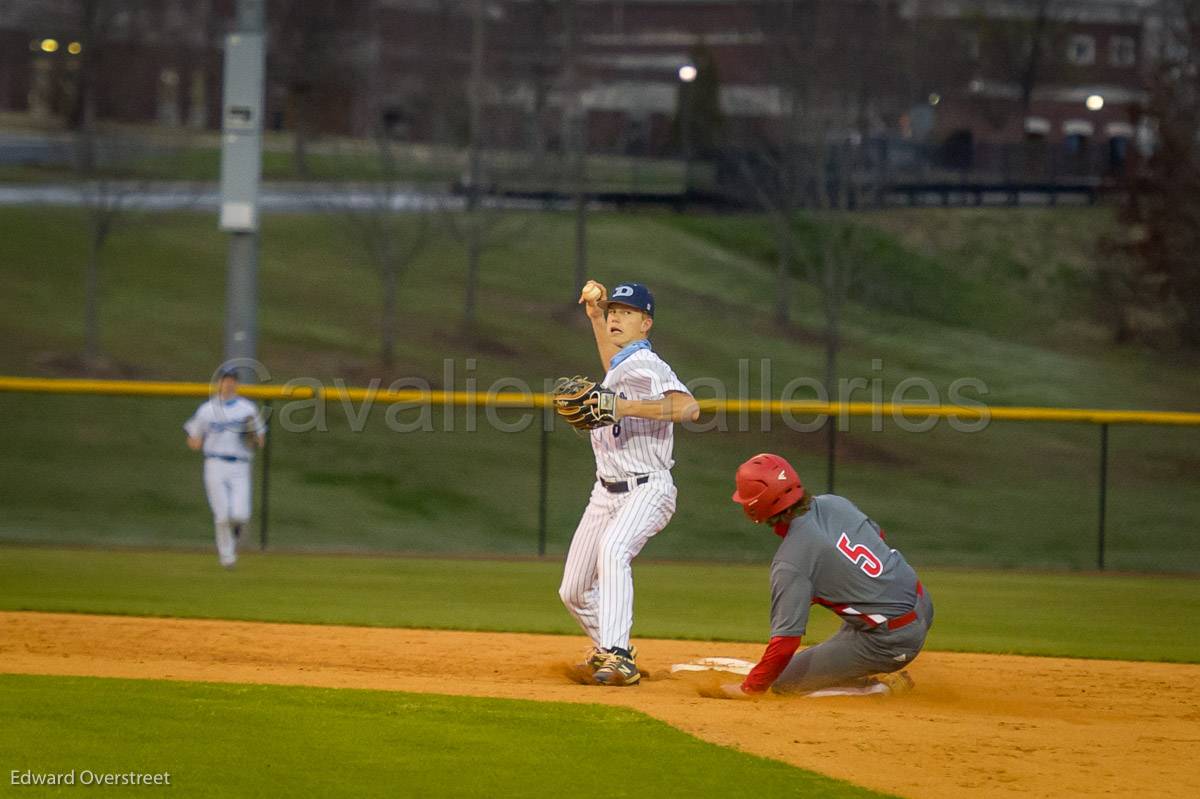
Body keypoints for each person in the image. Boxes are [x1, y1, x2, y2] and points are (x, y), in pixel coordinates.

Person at [559, 280, 699, 686]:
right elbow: (612, 364)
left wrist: (623, 407)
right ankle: (609, 646)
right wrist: (596, 317)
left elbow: (688, 408)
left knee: (614, 548)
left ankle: (619, 656)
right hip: (605, 492)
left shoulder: (650, 366)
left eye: (627, 312)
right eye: (615, 310)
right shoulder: (624, 364)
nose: (618, 316)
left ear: (646, 323)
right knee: (574, 590)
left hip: (647, 487)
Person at [719, 452, 933, 698]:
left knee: (783, 684)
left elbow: (786, 641)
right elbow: (879, 539)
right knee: (857, 618)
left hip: (891, 640)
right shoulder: (835, 503)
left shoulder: (792, 561)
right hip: (922, 603)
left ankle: (877, 687)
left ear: (755, 506)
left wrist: (751, 688)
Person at [183, 369, 266, 569]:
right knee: (221, 515)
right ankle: (227, 557)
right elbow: (193, 437)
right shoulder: (207, 409)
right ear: (219, 383)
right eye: (225, 380)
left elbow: (260, 440)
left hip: (240, 465)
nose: (228, 384)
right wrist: (194, 442)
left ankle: (236, 528)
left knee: (240, 514)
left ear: (236, 384)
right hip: (215, 463)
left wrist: (253, 437)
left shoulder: (247, 409)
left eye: (232, 381)